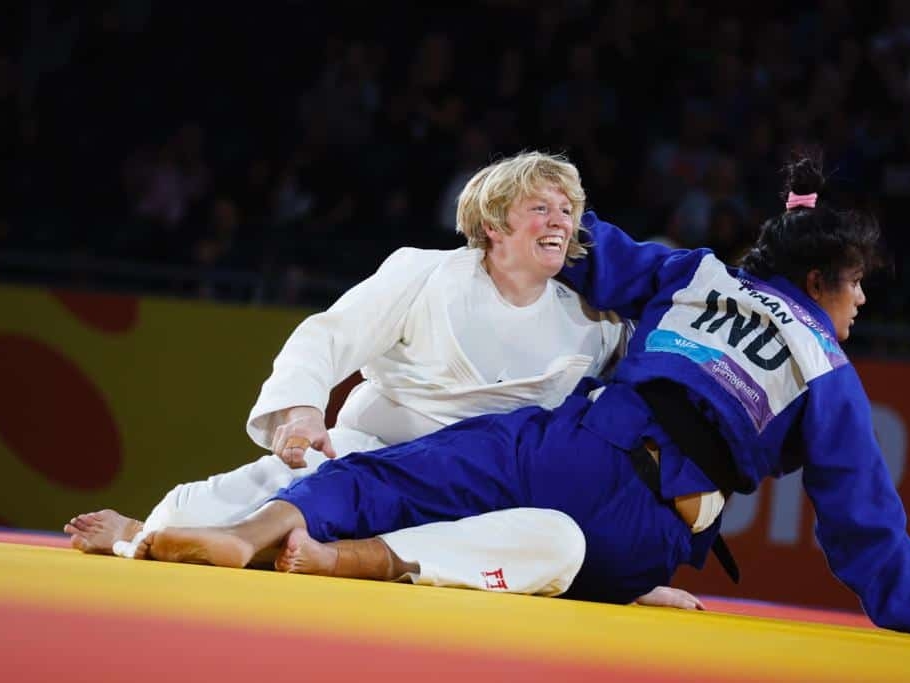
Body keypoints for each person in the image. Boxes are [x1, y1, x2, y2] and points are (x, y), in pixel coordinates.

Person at [127, 151, 910, 632]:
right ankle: (239, 537)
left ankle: (291, 541)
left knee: (387, 482)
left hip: (566, 450)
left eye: (565, 214)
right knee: (385, 475)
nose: (863, 304)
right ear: (818, 282)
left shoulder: (694, 276)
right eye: (859, 287)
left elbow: (603, 251)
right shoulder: (827, 372)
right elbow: (864, 523)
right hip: (645, 520)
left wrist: (566, 229)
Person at [64, 150, 699, 608]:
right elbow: (329, 335)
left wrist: (629, 576)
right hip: (370, 461)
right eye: (541, 207)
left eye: (569, 209)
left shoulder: (597, 324)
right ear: (495, 222)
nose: (562, 220)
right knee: (190, 509)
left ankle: (339, 559)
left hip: (482, 499)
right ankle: (142, 538)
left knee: (561, 541)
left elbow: (621, 447)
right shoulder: (425, 274)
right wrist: (299, 414)